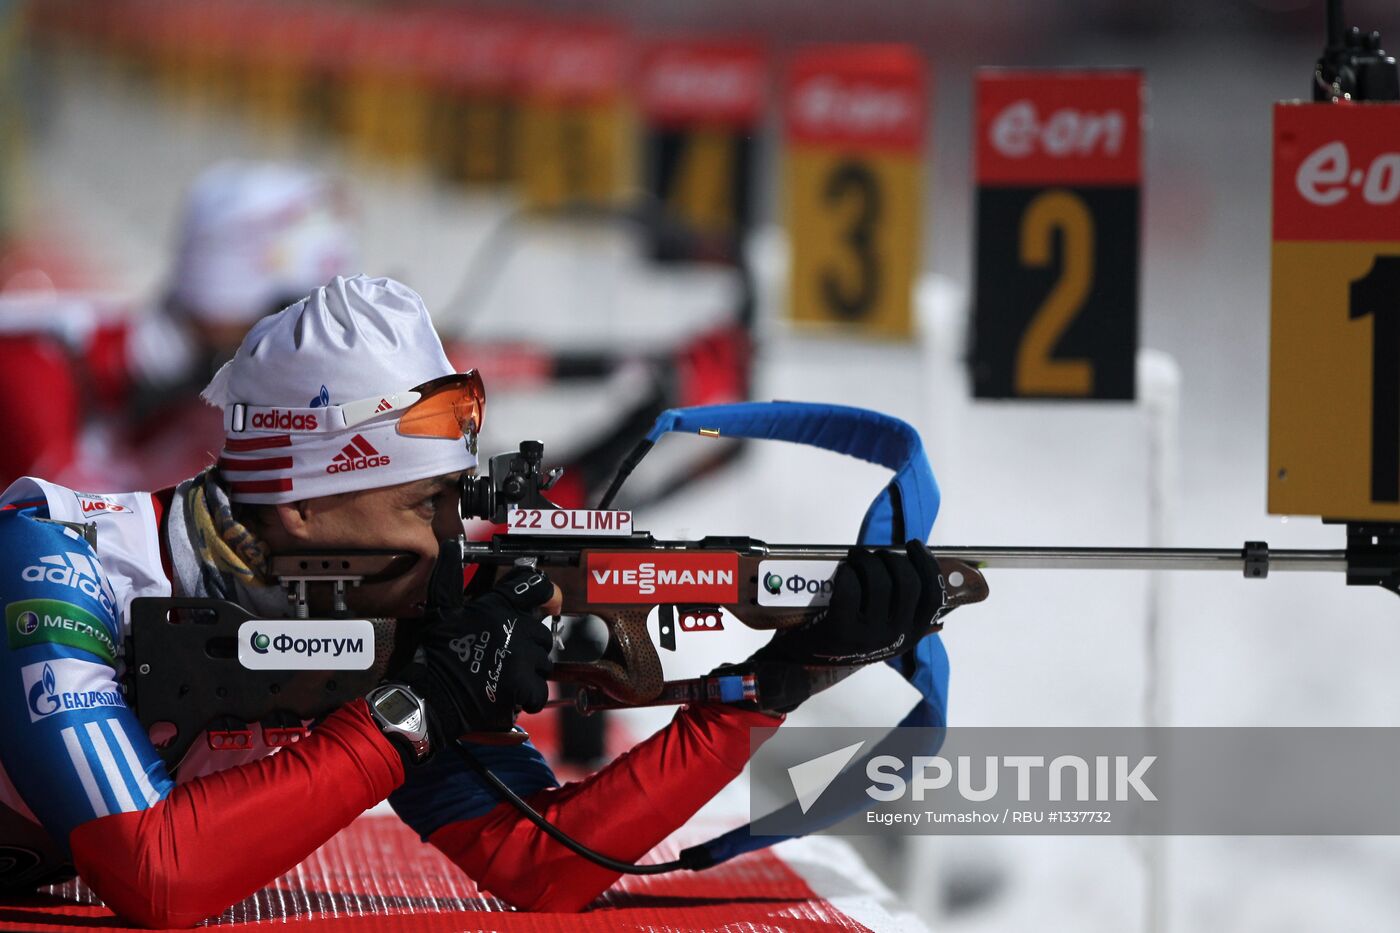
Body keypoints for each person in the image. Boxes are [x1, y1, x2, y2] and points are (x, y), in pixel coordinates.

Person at [0, 274, 942, 926]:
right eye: (425, 503)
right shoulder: (55, 559)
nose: (447, 540)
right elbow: (156, 872)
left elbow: (544, 865)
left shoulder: (381, 611)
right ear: (307, 500)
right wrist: (417, 711)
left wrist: (771, 687)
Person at [0, 160, 355, 491]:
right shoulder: (34, 361)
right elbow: (64, 533)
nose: (301, 341)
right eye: (290, 311)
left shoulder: (224, 413)